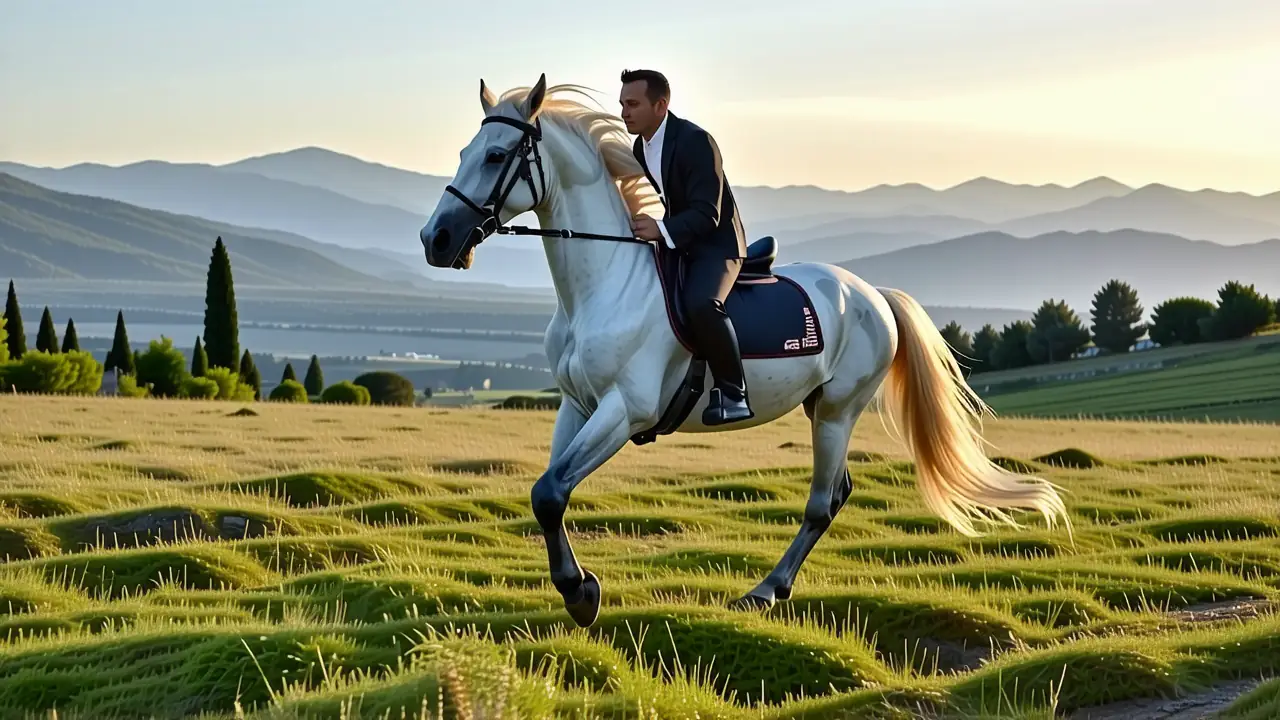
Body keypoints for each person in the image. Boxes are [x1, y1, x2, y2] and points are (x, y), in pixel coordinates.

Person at [620, 68, 753, 426]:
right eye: (622, 104)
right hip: (680, 243)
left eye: (632, 104)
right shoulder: (640, 146)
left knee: (701, 304)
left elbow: (708, 213)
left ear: (660, 105)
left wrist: (661, 228)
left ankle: (734, 392)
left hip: (718, 247)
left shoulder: (697, 141)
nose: (624, 113)